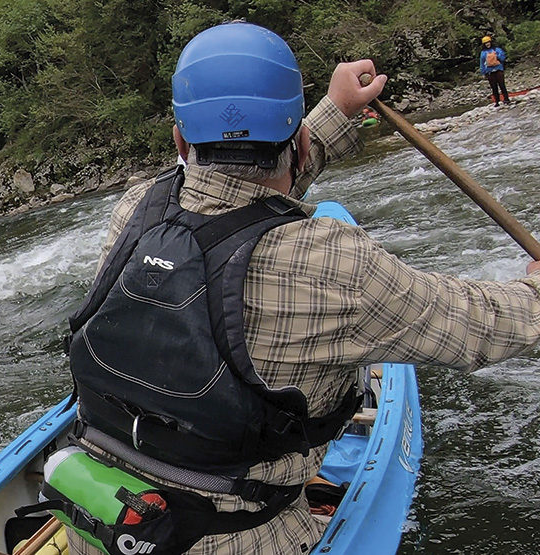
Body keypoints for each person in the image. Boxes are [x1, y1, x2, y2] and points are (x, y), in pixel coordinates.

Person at [58, 21, 540, 555]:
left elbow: (230, 205)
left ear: (179, 140)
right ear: (301, 141)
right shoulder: (336, 265)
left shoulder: (136, 210)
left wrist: (338, 109)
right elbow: (480, 328)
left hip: (106, 518)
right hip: (239, 539)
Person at [480, 35, 509, 106]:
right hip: (489, 72)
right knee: (494, 87)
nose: (487, 44)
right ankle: (497, 101)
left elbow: (502, 58)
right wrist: (483, 72)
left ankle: (506, 99)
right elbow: (482, 63)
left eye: (488, 42)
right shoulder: (483, 53)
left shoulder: (497, 49)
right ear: (484, 44)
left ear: (490, 42)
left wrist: (497, 56)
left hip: (498, 69)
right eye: (486, 43)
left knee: (502, 85)